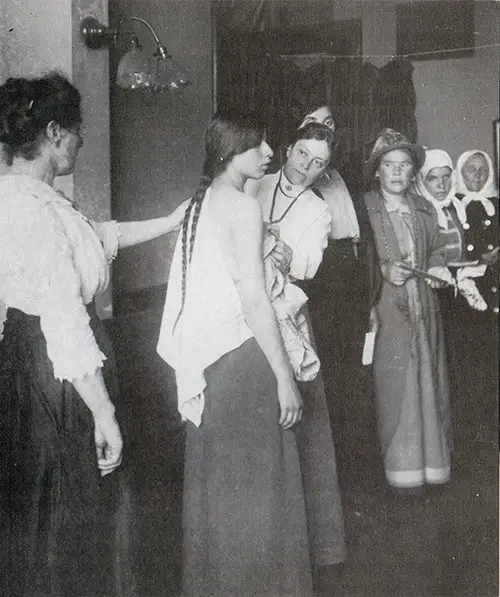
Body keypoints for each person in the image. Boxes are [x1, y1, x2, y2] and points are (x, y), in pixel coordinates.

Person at [0, 72, 186, 597]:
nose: (82, 141)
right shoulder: (28, 210)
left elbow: (100, 240)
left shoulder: (35, 197)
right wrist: (104, 413)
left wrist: (172, 221)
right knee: (68, 510)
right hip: (56, 375)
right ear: (55, 133)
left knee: (63, 512)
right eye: (78, 130)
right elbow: (62, 319)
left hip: (46, 366)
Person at [247, 121, 346, 576]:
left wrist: (283, 250)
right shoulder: (255, 180)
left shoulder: (317, 209)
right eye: (303, 154)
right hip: (245, 309)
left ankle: (301, 543)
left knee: (299, 421)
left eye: (319, 163)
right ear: (288, 148)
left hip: (286, 308)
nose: (307, 167)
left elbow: (308, 264)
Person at [363, 128, 454, 489]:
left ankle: (431, 464)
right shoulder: (365, 207)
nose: (397, 172)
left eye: (404, 165)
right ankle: (399, 469)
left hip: (425, 307)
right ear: (377, 171)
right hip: (385, 308)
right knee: (393, 382)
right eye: (389, 165)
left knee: (428, 377)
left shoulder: (424, 207)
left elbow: (435, 250)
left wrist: (435, 265)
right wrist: (384, 270)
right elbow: (359, 260)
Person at [293, 101, 378, 448]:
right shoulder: (299, 182)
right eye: (314, 122)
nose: (324, 128)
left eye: (329, 121)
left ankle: (358, 449)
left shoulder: (341, 174)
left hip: (351, 267)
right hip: (323, 276)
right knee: (329, 366)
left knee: (355, 362)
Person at [413, 148, 487, 310]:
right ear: (421, 180)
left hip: (458, 283)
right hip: (431, 285)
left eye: (446, 177)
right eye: (432, 178)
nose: (441, 185)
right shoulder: (418, 210)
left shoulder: (456, 206)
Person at [455, 150, 499, 314]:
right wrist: (477, 260)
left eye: (483, 170)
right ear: (460, 172)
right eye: (471, 169)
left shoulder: (495, 203)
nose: (478, 174)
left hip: (494, 280)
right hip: (464, 287)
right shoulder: (451, 205)